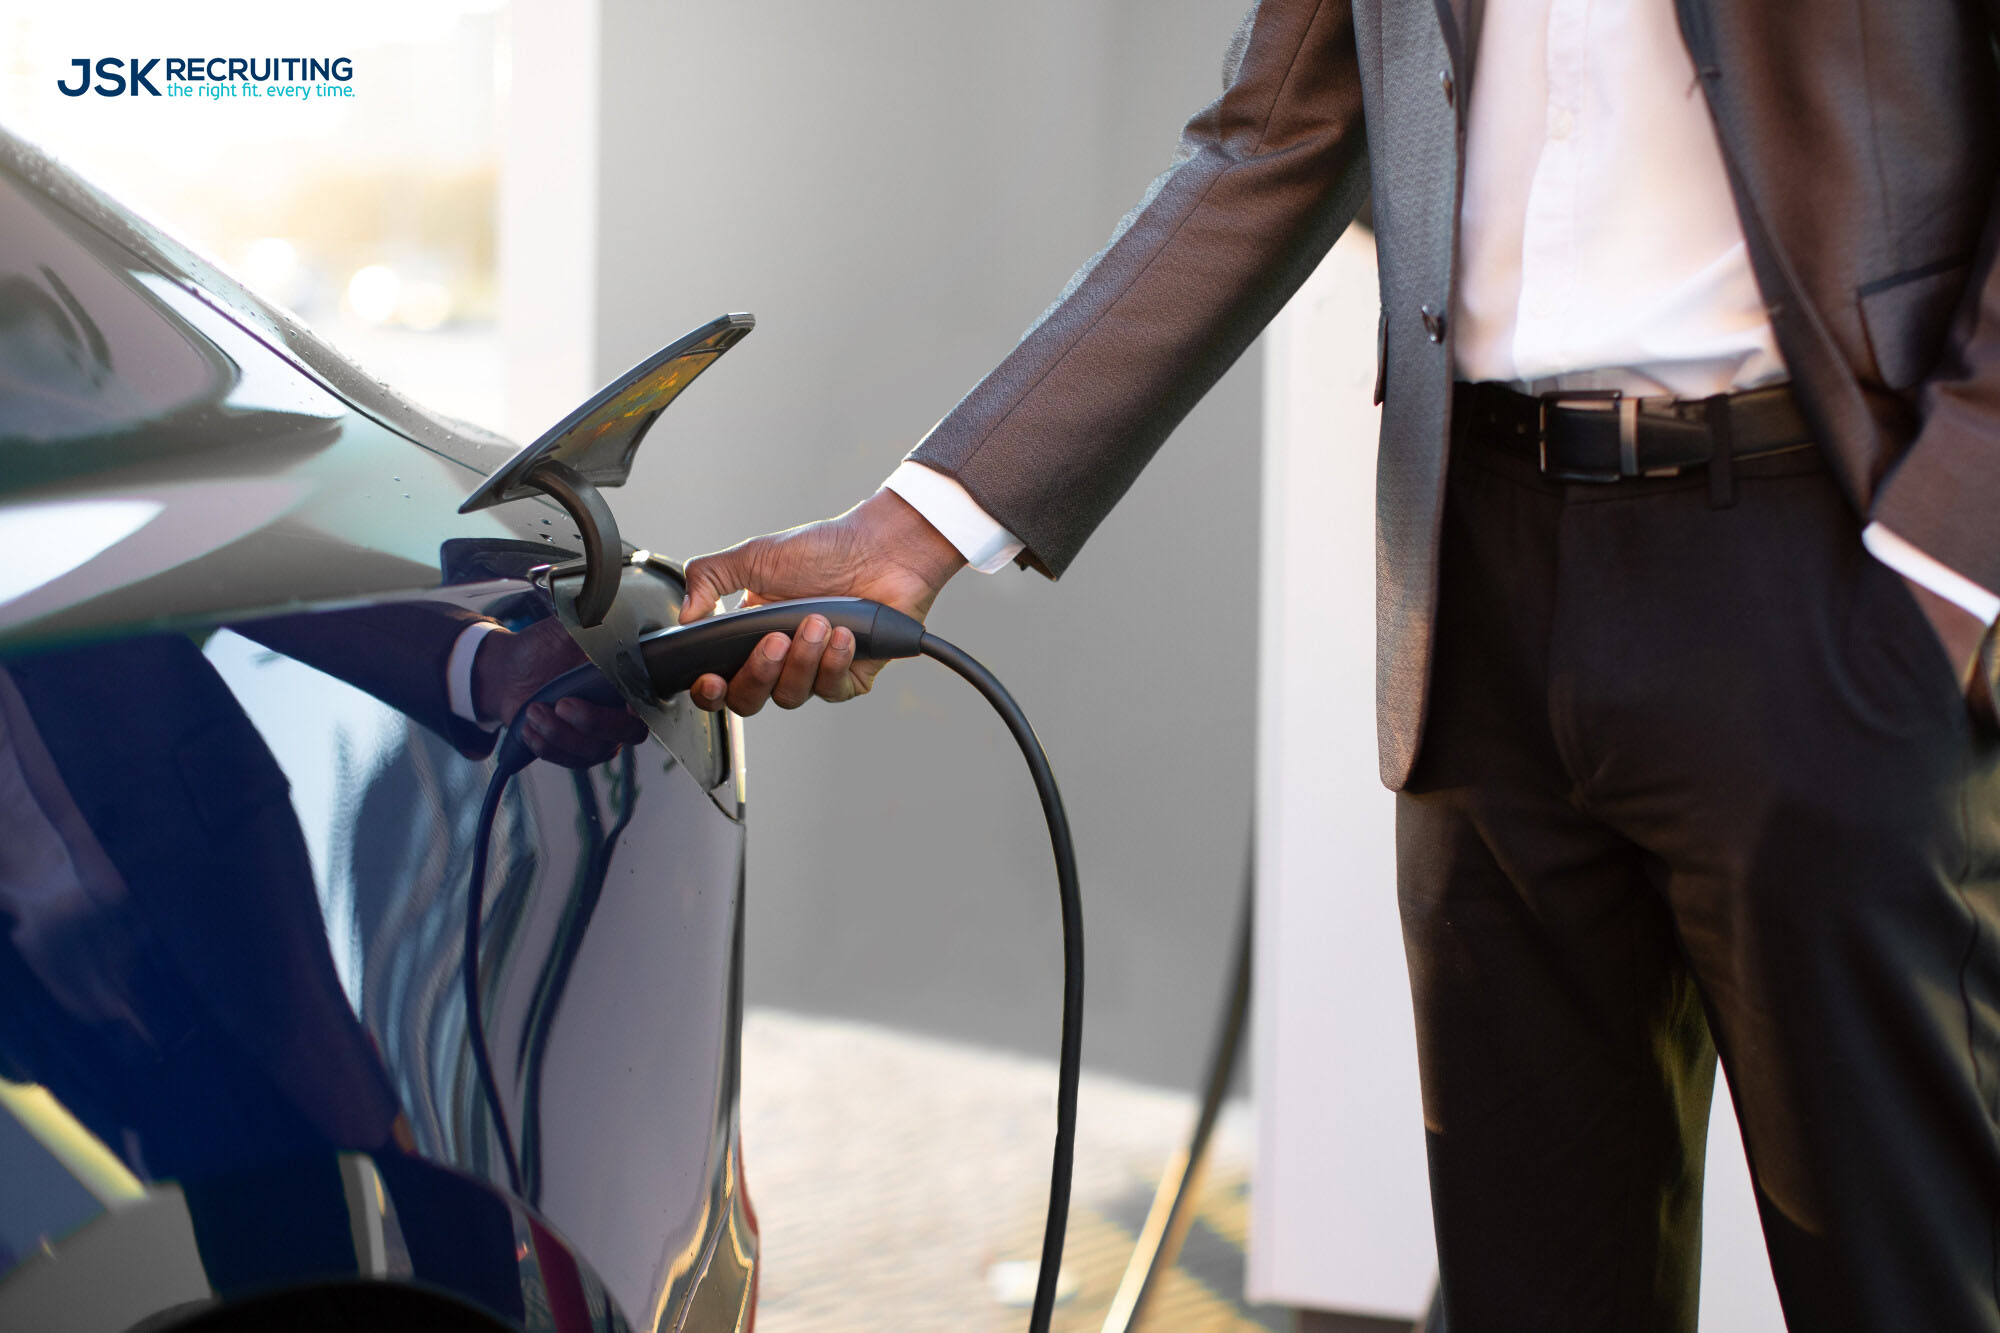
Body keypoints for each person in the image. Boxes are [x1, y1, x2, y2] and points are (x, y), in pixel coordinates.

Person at [674, 2, 2000, 1329]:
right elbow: (1266, 141)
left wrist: (1945, 570)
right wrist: (903, 535)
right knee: (1531, 1293)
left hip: (1822, 564)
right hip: (1477, 593)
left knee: (1910, 1285)